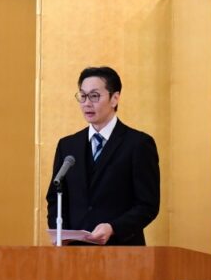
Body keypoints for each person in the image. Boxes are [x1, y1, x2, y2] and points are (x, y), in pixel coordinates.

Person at [46, 66, 160, 245]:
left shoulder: (138, 144)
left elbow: (147, 205)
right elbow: (55, 198)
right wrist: (61, 234)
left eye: (94, 96)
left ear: (115, 98)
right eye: (83, 96)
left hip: (122, 250)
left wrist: (114, 227)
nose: (87, 103)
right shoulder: (68, 145)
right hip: (74, 252)